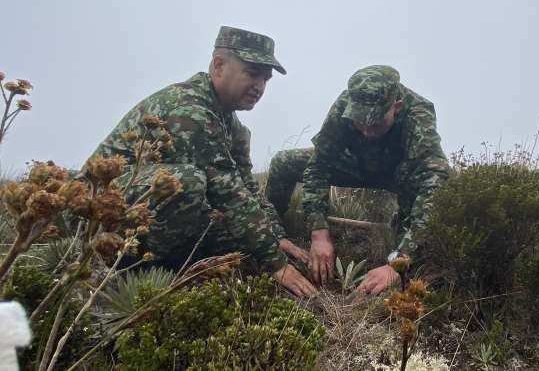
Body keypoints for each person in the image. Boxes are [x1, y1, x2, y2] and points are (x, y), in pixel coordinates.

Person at [88, 26, 316, 297]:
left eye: (266, 79)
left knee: (241, 241)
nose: (259, 87)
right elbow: (229, 193)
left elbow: (247, 189)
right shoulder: (190, 110)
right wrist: (275, 263)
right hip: (95, 213)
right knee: (188, 182)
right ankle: (136, 272)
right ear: (218, 66)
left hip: (148, 216)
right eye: (252, 74)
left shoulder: (233, 125)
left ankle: (171, 262)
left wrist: (277, 237)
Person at [266, 65, 450, 295]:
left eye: (375, 123)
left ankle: (402, 259)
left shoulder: (418, 113)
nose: (366, 131)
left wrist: (399, 261)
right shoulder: (345, 105)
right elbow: (318, 165)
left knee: (431, 174)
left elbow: (434, 178)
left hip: (396, 174)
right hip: (353, 167)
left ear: (397, 107)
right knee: (284, 161)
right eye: (359, 122)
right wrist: (319, 233)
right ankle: (272, 234)